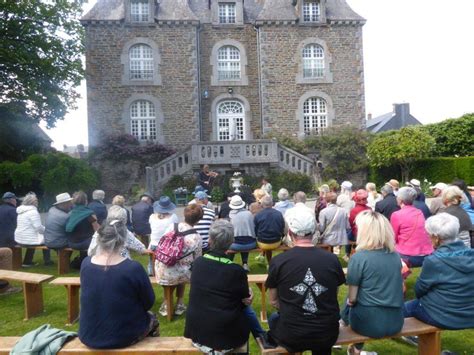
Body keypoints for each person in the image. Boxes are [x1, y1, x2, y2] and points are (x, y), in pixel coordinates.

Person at [266, 207, 345, 354]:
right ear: (314, 231)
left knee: (274, 319)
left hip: (291, 334)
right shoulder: (332, 259)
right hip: (326, 332)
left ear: (290, 233)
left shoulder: (278, 261)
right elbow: (333, 293)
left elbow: (273, 300)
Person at [184, 219, 272, 352]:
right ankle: (261, 335)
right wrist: (249, 296)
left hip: (197, 332)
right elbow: (244, 301)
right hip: (225, 338)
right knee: (245, 308)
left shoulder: (198, 263)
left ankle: (261, 335)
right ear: (231, 243)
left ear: (210, 240)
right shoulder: (236, 270)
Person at [79, 219, 157, 349]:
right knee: (152, 318)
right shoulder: (132, 268)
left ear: (99, 238)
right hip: (122, 336)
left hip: (89, 334)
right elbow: (149, 302)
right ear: (122, 240)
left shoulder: (86, 264)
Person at [342, 210, 404, 355]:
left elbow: (352, 299)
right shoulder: (395, 256)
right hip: (396, 321)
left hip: (368, 324)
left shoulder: (359, 258)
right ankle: (355, 348)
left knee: (349, 302)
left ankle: (343, 330)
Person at [403, 213, 474, 330]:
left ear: (436, 238)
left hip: (444, 316)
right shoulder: (471, 254)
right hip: (469, 314)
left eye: (429, 235)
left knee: (403, 309)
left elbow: (419, 290)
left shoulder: (434, 261)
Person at [155, 204, 202, 317]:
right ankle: (179, 303)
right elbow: (198, 259)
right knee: (185, 268)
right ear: (198, 220)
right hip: (180, 273)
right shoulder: (196, 237)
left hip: (161, 268)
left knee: (177, 268)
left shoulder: (172, 226)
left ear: (184, 215)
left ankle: (166, 303)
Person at [390, 187, 433, 267]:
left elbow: (393, 238)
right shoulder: (419, 212)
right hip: (426, 253)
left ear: (400, 200)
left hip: (408, 255)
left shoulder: (396, 215)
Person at [14, 193, 52, 266]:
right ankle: (48, 262)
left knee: (32, 239)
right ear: (32, 202)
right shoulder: (33, 212)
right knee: (46, 241)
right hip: (27, 240)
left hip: (19, 239)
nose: (37, 202)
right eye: (36, 201)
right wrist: (47, 230)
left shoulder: (20, 211)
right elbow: (38, 228)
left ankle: (27, 262)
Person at [66, 191, 100, 268]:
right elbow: (97, 230)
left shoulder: (70, 213)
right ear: (86, 201)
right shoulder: (89, 213)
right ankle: (96, 264)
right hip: (85, 243)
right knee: (99, 241)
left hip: (71, 242)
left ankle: (81, 261)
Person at [228, 195, 256, 271]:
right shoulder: (249, 214)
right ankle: (245, 263)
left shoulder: (230, 216)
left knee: (230, 241)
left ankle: (229, 264)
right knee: (244, 239)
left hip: (235, 245)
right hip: (251, 244)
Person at [254, 195, 285, 263]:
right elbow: (282, 228)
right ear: (272, 204)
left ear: (262, 204)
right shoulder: (279, 214)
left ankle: (267, 261)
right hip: (276, 241)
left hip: (262, 242)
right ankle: (267, 261)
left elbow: (255, 231)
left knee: (265, 239)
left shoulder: (258, 215)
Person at [346, 190, 371, 261]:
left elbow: (351, 224)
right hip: (369, 234)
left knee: (347, 237)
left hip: (358, 235)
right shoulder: (369, 209)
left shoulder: (354, 210)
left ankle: (347, 254)